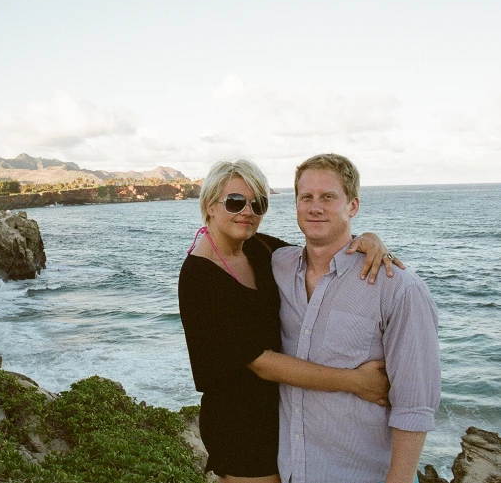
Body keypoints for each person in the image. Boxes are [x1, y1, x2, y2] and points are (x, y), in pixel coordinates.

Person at [178, 159, 398, 483]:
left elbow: (320, 253)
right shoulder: (199, 276)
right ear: (210, 206)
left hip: (281, 415)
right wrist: (356, 382)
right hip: (241, 426)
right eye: (235, 202)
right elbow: (260, 362)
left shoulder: (259, 248)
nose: (247, 211)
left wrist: (367, 240)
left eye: (259, 203)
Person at [273, 154, 441, 483]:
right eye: (306, 197)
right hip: (290, 472)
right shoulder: (277, 265)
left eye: (328, 197)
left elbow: (415, 402)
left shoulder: (398, 288)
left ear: (353, 206)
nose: (315, 207)